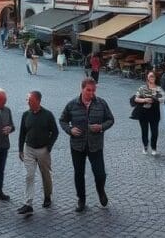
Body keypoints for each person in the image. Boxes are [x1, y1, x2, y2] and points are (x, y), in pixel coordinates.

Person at [59, 78, 114, 212]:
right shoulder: (72, 105)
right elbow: (62, 120)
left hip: (95, 145)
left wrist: (101, 127)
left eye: (93, 90)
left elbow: (111, 120)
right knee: (79, 173)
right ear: (82, 89)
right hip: (77, 145)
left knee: (100, 173)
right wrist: (70, 130)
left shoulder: (101, 103)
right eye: (88, 90)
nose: (91, 93)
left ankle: (101, 191)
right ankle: (81, 199)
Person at [17, 91, 59, 215]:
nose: (27, 102)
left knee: (45, 175)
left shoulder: (48, 115)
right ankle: (28, 203)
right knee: (28, 176)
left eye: (29, 100)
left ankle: (47, 196)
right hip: (28, 149)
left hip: (43, 150)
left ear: (37, 101)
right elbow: (22, 133)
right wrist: (20, 149)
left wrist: (49, 148)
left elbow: (55, 132)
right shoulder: (26, 115)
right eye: (27, 100)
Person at [134, 71, 165, 156]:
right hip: (143, 113)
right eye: (150, 76)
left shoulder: (159, 88)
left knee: (154, 132)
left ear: (155, 78)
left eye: (153, 76)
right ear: (147, 77)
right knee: (144, 131)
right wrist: (144, 100)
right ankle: (145, 146)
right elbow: (136, 99)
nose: (152, 78)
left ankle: (154, 147)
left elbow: (163, 98)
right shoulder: (142, 88)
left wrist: (155, 98)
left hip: (154, 113)